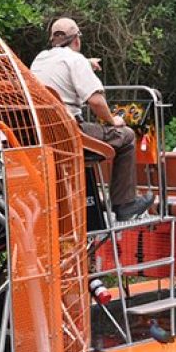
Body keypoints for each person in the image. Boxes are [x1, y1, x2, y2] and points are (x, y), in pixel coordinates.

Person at [31, 17, 153, 222]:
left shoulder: (40, 59)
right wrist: (112, 120)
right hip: (70, 133)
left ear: (53, 40)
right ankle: (125, 203)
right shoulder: (75, 60)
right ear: (76, 40)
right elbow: (96, 101)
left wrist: (86, 64)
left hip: (44, 134)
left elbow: (62, 67)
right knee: (127, 136)